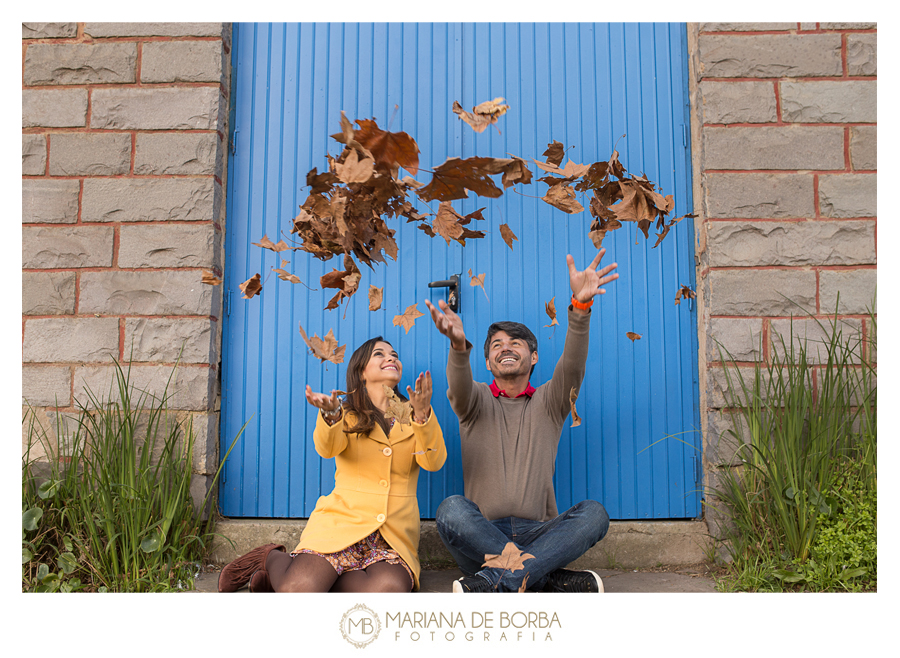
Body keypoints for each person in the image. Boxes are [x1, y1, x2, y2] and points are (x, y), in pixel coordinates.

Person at [424, 248, 619, 593]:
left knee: (594, 514)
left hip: (540, 532)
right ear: (487, 361)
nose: (506, 348)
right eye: (496, 345)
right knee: (451, 509)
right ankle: (546, 577)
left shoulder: (551, 400)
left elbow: (572, 366)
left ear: (534, 356)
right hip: (481, 536)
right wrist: (457, 346)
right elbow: (458, 386)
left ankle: (495, 582)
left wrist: (580, 308)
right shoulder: (474, 401)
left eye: (516, 342)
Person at [217, 337, 446, 593]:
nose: (391, 358)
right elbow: (327, 450)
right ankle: (271, 558)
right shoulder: (345, 413)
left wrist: (423, 416)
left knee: (386, 591)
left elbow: (433, 462)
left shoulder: (415, 414)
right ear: (361, 371)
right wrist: (331, 415)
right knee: (298, 588)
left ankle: (289, 580)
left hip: (391, 536)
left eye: (394, 354)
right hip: (342, 524)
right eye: (379, 354)